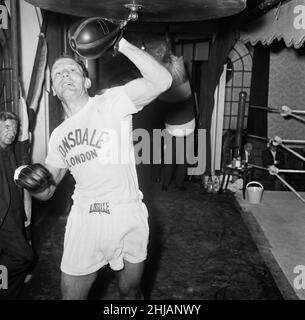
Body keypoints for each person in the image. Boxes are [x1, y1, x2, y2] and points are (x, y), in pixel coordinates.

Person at [15, 36, 172, 300]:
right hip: (86, 219)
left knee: (130, 292)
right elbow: (48, 191)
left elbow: (163, 81)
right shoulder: (58, 135)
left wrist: (119, 42)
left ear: (86, 81)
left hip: (127, 211)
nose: (65, 74)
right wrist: (37, 183)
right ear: (52, 89)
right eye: (57, 73)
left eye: (72, 70)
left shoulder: (111, 101)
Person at [0, 111, 34, 300]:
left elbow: (24, 139)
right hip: (4, 219)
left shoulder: (10, 151)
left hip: (16, 215)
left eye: (14, 128)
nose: (11, 132)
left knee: (16, 265)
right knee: (25, 256)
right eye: (6, 127)